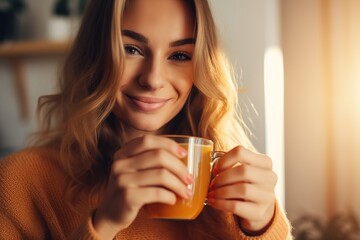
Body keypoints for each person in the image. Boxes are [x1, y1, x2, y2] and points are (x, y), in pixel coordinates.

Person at [0, 0, 292, 239]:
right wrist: (104, 223)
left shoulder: (230, 187)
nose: (152, 79)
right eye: (131, 49)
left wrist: (264, 227)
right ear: (96, 54)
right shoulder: (20, 182)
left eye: (179, 55)